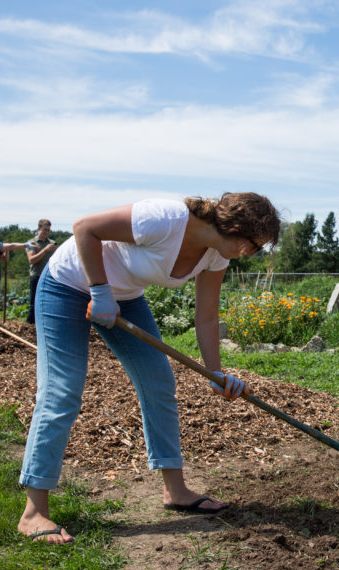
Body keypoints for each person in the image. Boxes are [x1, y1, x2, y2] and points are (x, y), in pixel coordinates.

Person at [18, 193, 279, 544]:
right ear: (234, 228)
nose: (252, 253)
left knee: (158, 380)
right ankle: (34, 512)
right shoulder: (167, 218)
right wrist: (100, 291)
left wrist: (215, 373)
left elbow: (207, 316)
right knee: (62, 391)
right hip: (68, 283)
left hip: (124, 298)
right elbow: (85, 229)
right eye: (253, 245)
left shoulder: (217, 255)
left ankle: (176, 491)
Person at [25, 218, 59, 324]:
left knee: (49, 301)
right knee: (34, 302)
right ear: (38, 228)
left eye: (48, 230)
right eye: (44, 230)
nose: (46, 233)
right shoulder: (31, 243)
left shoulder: (52, 243)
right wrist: (45, 250)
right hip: (36, 275)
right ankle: (30, 325)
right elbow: (32, 260)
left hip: (50, 276)